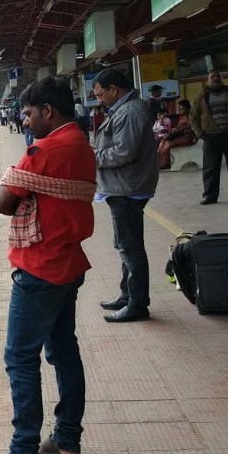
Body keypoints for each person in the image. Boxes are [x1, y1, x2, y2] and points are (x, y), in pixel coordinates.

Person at [0, 77, 95, 454]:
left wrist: (21, 186)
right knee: (64, 351)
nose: (23, 119)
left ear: (48, 111)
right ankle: (66, 441)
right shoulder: (80, 142)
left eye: (27, 112)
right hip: (69, 264)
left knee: (20, 360)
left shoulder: (46, 149)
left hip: (41, 268)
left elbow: (1, 202)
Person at [92, 68, 159, 323]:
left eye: (100, 94)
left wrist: (93, 158)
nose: (99, 99)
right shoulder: (125, 109)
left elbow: (124, 152)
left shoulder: (130, 112)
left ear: (113, 89)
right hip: (124, 187)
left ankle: (138, 304)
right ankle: (127, 294)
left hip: (128, 188)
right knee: (125, 245)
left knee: (130, 248)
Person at [190, 69, 228, 205]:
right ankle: (209, 196)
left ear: (221, 79)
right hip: (210, 137)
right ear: (208, 80)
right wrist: (200, 133)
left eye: (218, 76)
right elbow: (193, 116)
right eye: (212, 77)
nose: (215, 78)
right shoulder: (202, 97)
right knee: (210, 167)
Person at [157, 99, 196, 170]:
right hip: (182, 136)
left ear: (187, 109)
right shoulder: (183, 117)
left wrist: (178, 130)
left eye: (181, 109)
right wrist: (175, 129)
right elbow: (178, 127)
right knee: (164, 140)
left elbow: (189, 130)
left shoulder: (191, 118)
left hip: (188, 138)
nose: (179, 110)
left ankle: (164, 164)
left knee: (167, 143)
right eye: (179, 108)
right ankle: (161, 163)